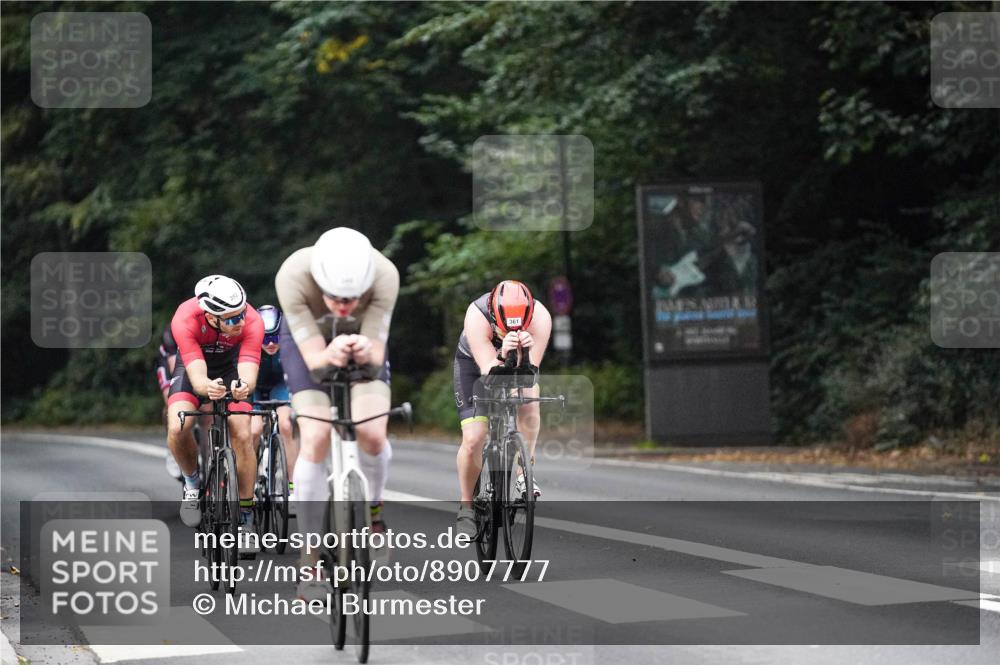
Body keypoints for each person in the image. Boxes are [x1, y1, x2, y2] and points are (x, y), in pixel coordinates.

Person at [275, 227, 399, 601]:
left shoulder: (385, 274)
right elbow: (314, 362)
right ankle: (309, 562)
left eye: (353, 298)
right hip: (307, 345)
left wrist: (365, 351)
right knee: (314, 437)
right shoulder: (293, 275)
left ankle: (374, 517)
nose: (344, 307)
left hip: (363, 341)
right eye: (334, 297)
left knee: (373, 434)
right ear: (319, 282)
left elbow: (376, 357)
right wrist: (329, 355)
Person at [165, 275, 264, 555]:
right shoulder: (185, 318)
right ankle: (192, 483)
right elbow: (197, 379)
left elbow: (248, 375)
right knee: (178, 425)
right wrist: (207, 387)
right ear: (210, 316)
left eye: (241, 314)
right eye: (231, 320)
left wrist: (242, 388)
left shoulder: (252, 321)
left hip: (232, 366)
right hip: (195, 367)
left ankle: (246, 518)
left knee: (242, 433)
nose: (240, 323)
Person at [452, 280, 552, 537]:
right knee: (474, 438)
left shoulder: (541, 318)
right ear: (493, 314)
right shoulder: (477, 315)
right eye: (502, 327)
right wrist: (502, 351)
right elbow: (489, 373)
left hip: (515, 368)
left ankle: (523, 471)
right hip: (476, 368)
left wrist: (524, 352)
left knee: (529, 400)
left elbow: (528, 376)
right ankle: (466, 506)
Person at [249, 305, 297, 509]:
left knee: (287, 425)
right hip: (254, 387)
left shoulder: (291, 339)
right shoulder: (248, 340)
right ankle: (248, 485)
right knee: (254, 430)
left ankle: (293, 486)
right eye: (265, 339)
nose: (270, 343)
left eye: (275, 338)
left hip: (280, 385)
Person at [155, 324, 184, 481]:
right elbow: (175, 370)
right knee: (171, 400)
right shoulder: (171, 332)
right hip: (170, 363)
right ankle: (172, 447)